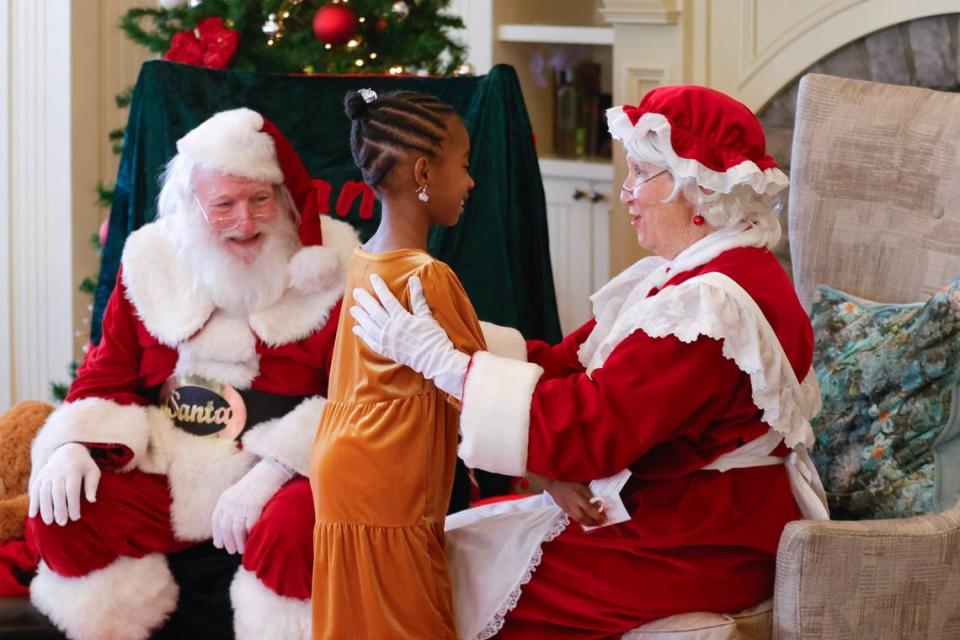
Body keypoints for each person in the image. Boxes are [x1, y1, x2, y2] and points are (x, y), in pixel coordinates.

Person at [350, 85, 830, 638]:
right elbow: (567, 366)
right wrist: (455, 335)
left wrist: (445, 364)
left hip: (702, 542)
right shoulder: (696, 270)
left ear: (698, 189)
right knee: (454, 546)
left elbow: (590, 429)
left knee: (442, 577)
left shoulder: (708, 307)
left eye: (641, 174)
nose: (625, 193)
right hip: (683, 514)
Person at [26, 108, 359, 640]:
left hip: (282, 470)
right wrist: (74, 445)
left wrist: (275, 470)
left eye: (260, 200)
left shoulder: (335, 266)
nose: (246, 223)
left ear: (285, 197)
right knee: (62, 513)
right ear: (190, 205)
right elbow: (106, 373)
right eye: (224, 205)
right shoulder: (150, 261)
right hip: (172, 462)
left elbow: (359, 398)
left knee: (299, 528)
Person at [309, 88, 488, 640]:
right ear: (423, 172)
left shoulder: (365, 259)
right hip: (390, 490)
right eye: (464, 166)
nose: (471, 182)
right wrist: (557, 479)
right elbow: (481, 391)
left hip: (343, 473)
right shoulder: (425, 277)